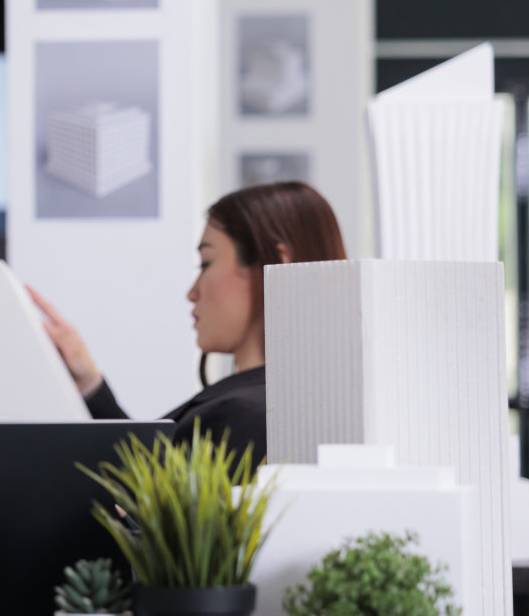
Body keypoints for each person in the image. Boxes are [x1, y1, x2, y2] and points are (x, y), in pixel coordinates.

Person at [27, 181, 346, 461]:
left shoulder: (244, 415)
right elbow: (147, 473)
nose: (192, 293)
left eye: (206, 263)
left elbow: (142, 496)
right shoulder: (278, 405)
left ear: (276, 264)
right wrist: (90, 384)